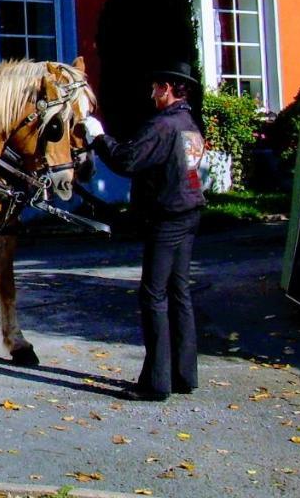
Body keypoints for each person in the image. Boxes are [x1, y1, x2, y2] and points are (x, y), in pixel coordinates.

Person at [78, 60, 205, 402]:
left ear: (166, 88)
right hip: (189, 212)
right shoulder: (189, 122)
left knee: (153, 296)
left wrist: (99, 136)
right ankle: (184, 374)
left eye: (154, 88)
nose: (151, 94)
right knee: (179, 293)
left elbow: (128, 160)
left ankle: (156, 382)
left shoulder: (163, 125)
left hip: (167, 217)